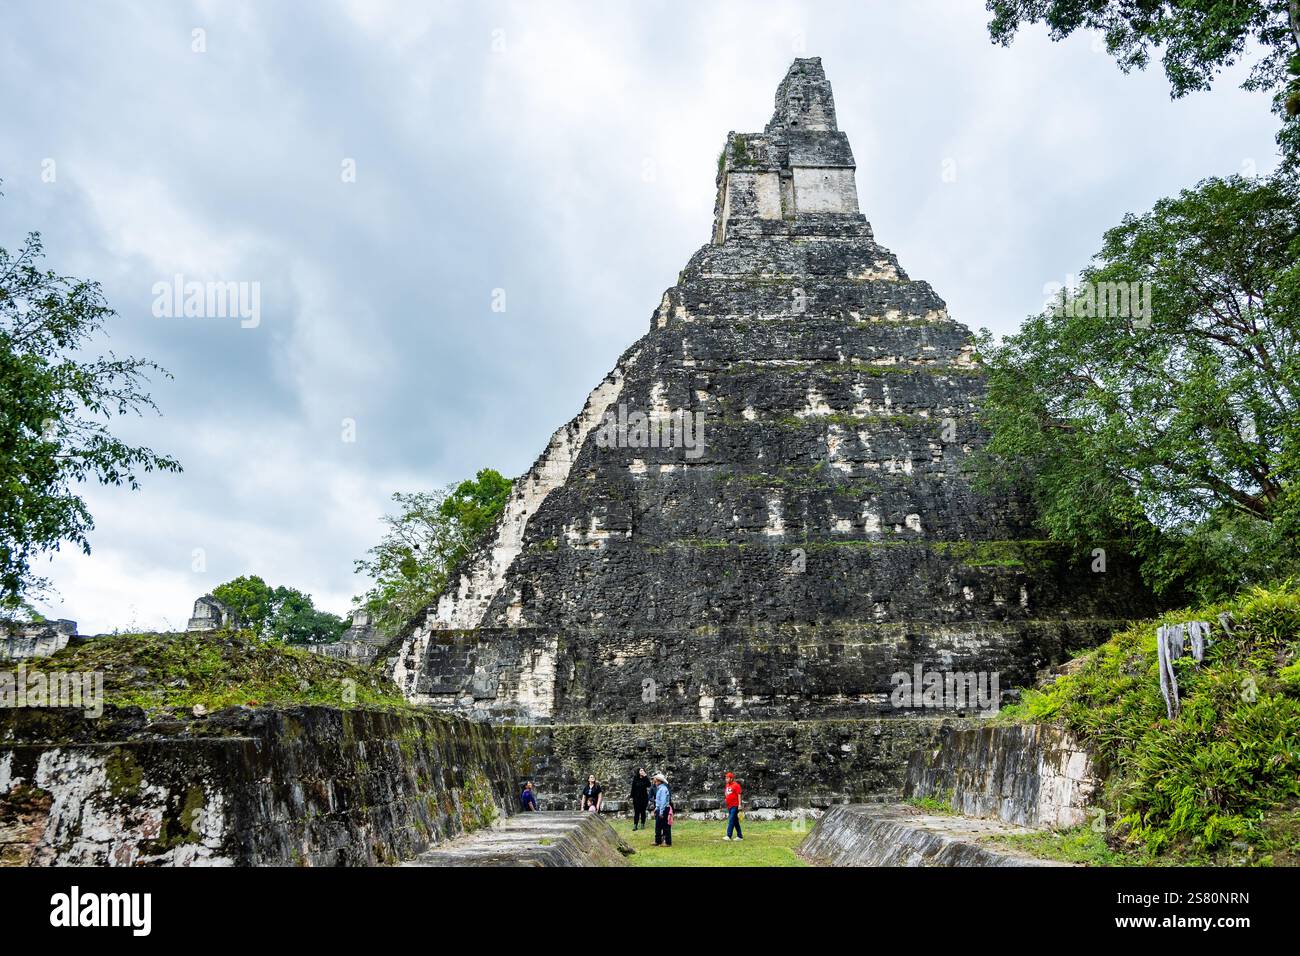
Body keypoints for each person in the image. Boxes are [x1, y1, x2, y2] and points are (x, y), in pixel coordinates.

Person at [652, 772, 672, 847]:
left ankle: (667, 842)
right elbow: (659, 801)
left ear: (659, 781)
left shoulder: (663, 789)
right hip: (660, 808)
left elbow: (663, 802)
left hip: (663, 809)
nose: (655, 782)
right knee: (658, 825)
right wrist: (656, 808)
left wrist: (661, 812)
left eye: (656, 781)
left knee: (665, 826)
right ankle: (658, 840)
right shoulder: (660, 789)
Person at [722, 771, 743, 841]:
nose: (726, 779)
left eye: (727, 778)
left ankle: (728, 835)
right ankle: (739, 836)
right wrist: (726, 799)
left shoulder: (736, 785)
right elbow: (726, 793)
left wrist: (739, 804)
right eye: (726, 778)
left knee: (731, 819)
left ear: (731, 778)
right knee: (735, 821)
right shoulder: (727, 785)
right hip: (729, 806)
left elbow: (739, 795)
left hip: (735, 805)